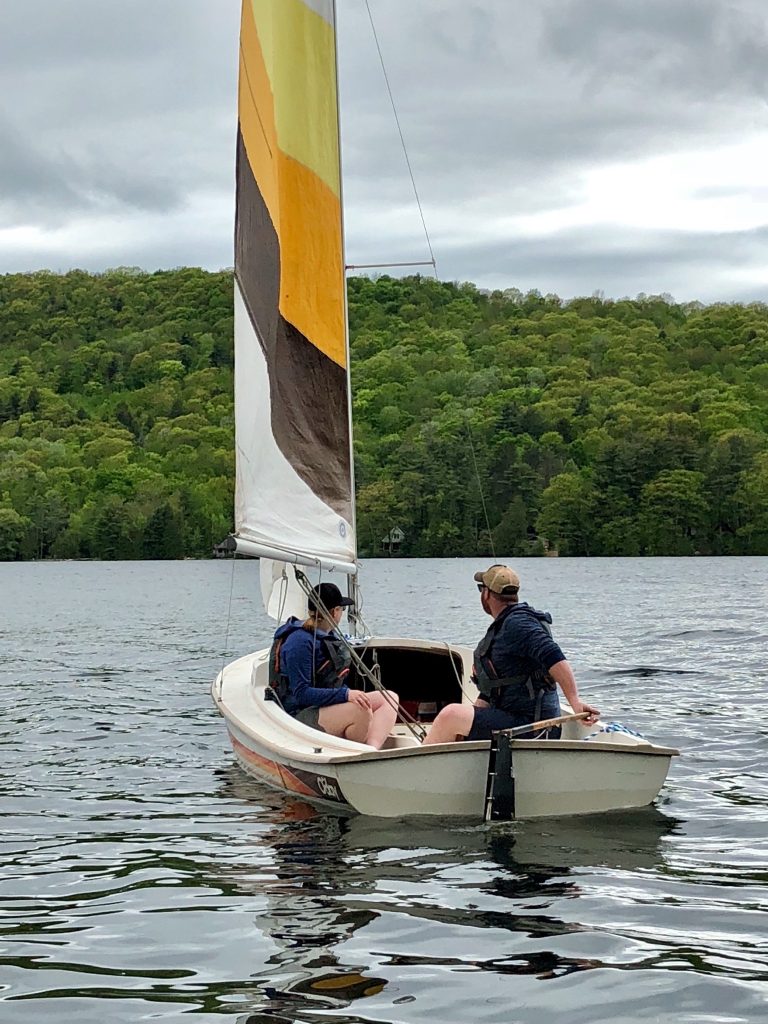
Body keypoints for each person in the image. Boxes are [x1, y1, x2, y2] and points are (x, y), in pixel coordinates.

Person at [422, 564, 599, 745]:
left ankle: (417, 769)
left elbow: (556, 658)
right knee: (457, 721)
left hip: (533, 727)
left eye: (480, 589)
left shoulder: (518, 624)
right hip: (513, 719)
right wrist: (466, 727)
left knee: (450, 715)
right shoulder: (506, 625)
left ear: (487, 594)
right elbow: (490, 694)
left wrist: (575, 702)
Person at [269, 582, 399, 749]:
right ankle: (358, 749)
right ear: (334, 612)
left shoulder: (328, 635)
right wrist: (345, 695)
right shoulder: (299, 643)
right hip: (300, 715)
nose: (341, 614)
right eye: (341, 609)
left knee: (389, 698)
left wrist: (347, 695)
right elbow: (301, 693)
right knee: (360, 710)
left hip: (326, 707)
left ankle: (372, 749)